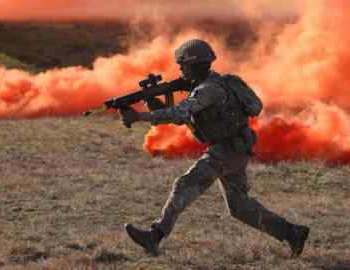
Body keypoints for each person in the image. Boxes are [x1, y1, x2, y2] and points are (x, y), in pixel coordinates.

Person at [120, 39, 310, 257]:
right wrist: (152, 103)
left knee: (185, 184)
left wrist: (140, 116)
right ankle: (292, 233)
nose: (180, 69)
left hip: (226, 151)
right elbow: (184, 117)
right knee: (239, 207)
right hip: (236, 149)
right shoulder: (214, 83)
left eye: (183, 65)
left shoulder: (207, 90)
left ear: (193, 65)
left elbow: (180, 114)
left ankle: (155, 236)